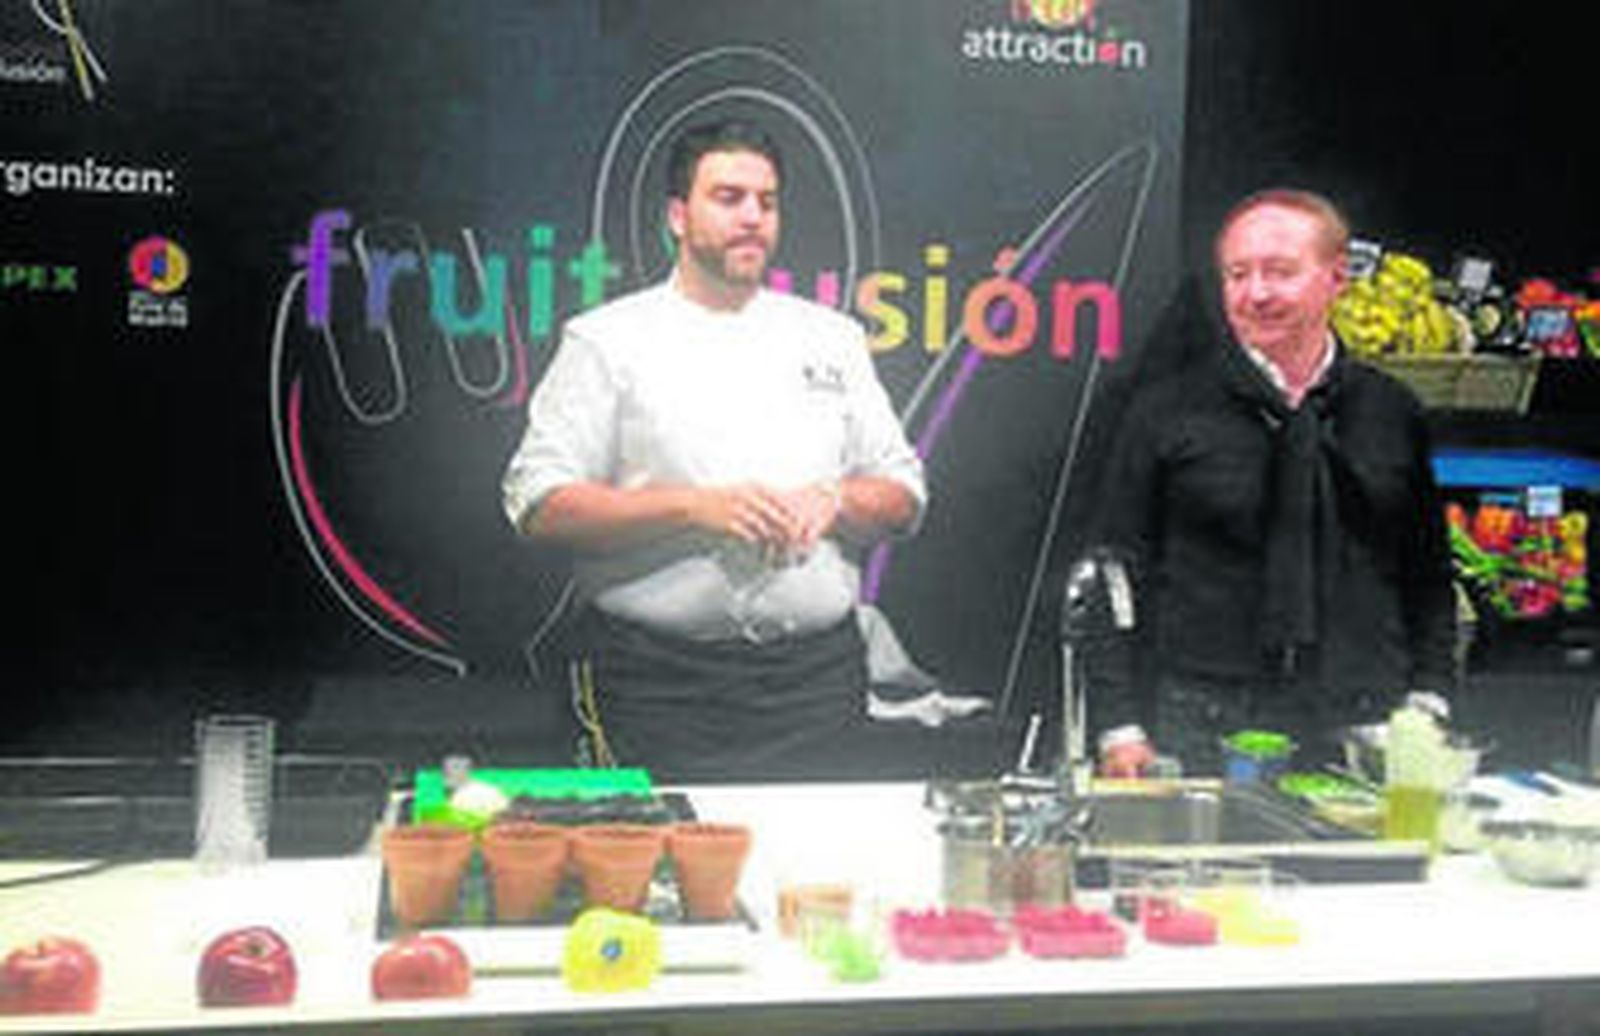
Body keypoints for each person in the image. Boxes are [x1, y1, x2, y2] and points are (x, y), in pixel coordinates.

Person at [501, 119, 926, 779]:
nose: (752, 217)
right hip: (653, 685)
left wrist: (835, 499)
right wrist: (693, 508)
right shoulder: (607, 340)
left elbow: (904, 494)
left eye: (767, 201)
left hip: (815, 685)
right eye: (728, 198)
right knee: (656, 850)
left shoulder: (832, 338)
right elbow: (539, 504)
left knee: (816, 849)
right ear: (678, 215)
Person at [1092, 188, 1457, 775]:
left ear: (1337, 278)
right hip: (1202, 720)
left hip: (1367, 719)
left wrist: (1430, 696)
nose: (1256, 293)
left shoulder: (1392, 411)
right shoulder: (1166, 411)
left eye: (1280, 272)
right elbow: (1113, 573)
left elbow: (1429, 574)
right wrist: (1119, 727)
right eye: (1238, 274)